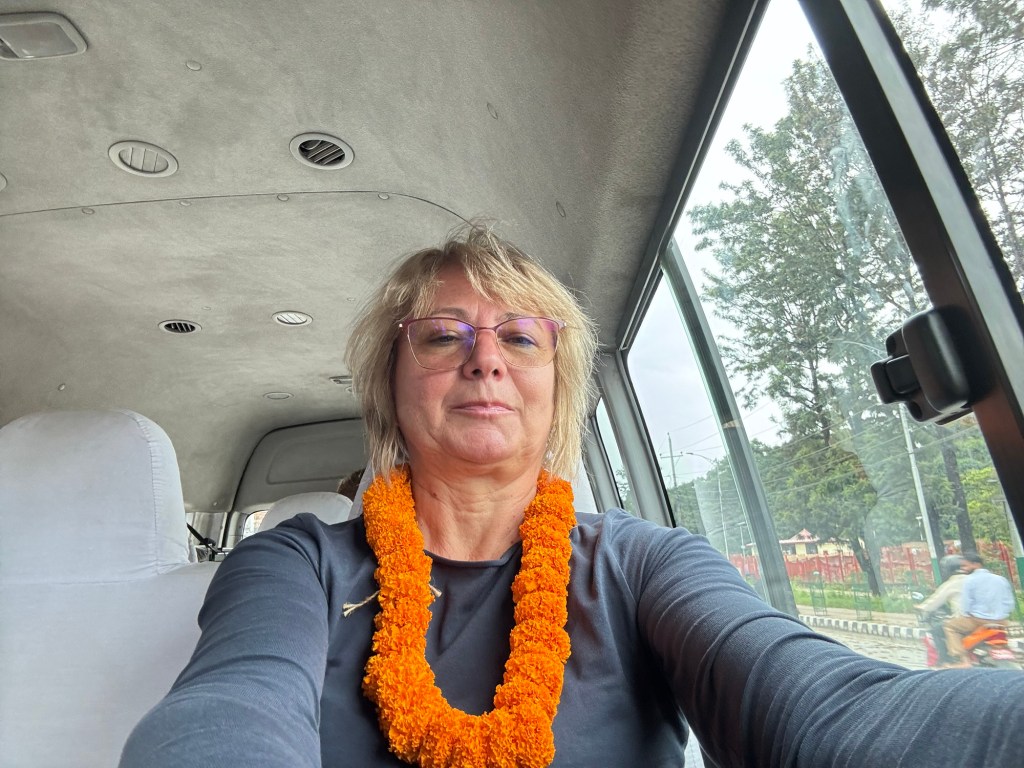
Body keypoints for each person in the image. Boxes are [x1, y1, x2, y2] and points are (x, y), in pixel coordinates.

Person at [121, 226, 1024, 768]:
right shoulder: (296, 563)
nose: (484, 358)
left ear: (560, 391)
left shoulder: (645, 563)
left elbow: (819, 706)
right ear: (389, 383)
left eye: (521, 338)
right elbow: (229, 706)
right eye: (442, 335)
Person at [944, 552, 1016, 666]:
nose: (963, 569)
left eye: (965, 566)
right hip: (1002, 621)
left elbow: (966, 605)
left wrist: (964, 615)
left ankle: (963, 660)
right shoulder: (1001, 579)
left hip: (978, 621)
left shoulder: (970, 580)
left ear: (976, 564)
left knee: (950, 627)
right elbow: (1010, 603)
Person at [915, 554, 968, 666]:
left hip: (964, 620)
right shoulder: (973, 579)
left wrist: (921, 607)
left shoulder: (952, 583)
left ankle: (945, 660)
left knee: (936, 631)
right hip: (985, 620)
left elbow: (935, 601)